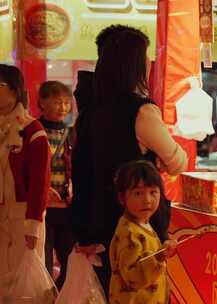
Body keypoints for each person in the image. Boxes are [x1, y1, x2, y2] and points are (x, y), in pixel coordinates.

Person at [70, 26, 188, 293]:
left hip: (98, 227)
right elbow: (178, 162)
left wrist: (82, 230)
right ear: (134, 64)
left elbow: (80, 173)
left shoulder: (89, 113)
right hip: (136, 228)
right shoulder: (141, 111)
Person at [0, 64, 50, 276]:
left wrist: (33, 227)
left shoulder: (32, 130)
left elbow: (40, 182)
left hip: (23, 217)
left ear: (14, 89)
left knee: (23, 282)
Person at [109, 161, 177, 303]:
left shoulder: (143, 223)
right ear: (122, 198)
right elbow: (133, 277)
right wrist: (158, 257)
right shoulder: (128, 233)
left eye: (153, 192)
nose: (147, 200)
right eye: (138, 193)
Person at [38, 80, 76, 288]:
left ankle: (59, 295)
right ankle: (44, 295)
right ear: (42, 102)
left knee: (69, 257)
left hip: (65, 206)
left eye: (66, 103)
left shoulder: (71, 133)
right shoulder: (33, 130)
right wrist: (43, 189)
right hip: (41, 207)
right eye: (56, 102)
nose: (63, 108)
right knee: (42, 260)